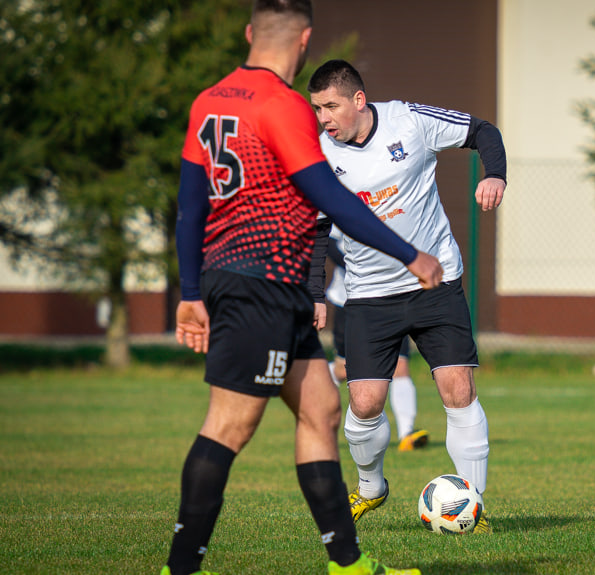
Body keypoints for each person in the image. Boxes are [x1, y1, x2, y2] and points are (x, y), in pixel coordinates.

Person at [166, 2, 442, 574]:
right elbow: (330, 197)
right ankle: (180, 568)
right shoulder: (284, 106)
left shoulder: (207, 101)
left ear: (249, 34)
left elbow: (189, 209)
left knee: (320, 408)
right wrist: (408, 252)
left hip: (257, 283)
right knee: (228, 425)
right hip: (259, 282)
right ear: (306, 39)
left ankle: (349, 566)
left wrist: (190, 290)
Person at [307, 59, 506, 533]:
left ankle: (472, 509)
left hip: (435, 281)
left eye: (331, 106)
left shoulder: (409, 121)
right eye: (317, 109)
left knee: (458, 389)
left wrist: (495, 174)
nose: (324, 118)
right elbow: (313, 229)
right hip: (369, 294)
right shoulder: (318, 155)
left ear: (358, 100)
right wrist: (315, 291)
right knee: (366, 403)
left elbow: (483, 130)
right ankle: (371, 486)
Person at [326, 225, 429, 452]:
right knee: (344, 368)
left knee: (400, 365)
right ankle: (318, 376)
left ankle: (407, 433)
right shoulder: (343, 192)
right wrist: (361, 267)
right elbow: (327, 241)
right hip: (350, 299)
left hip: (392, 297)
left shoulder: (395, 195)